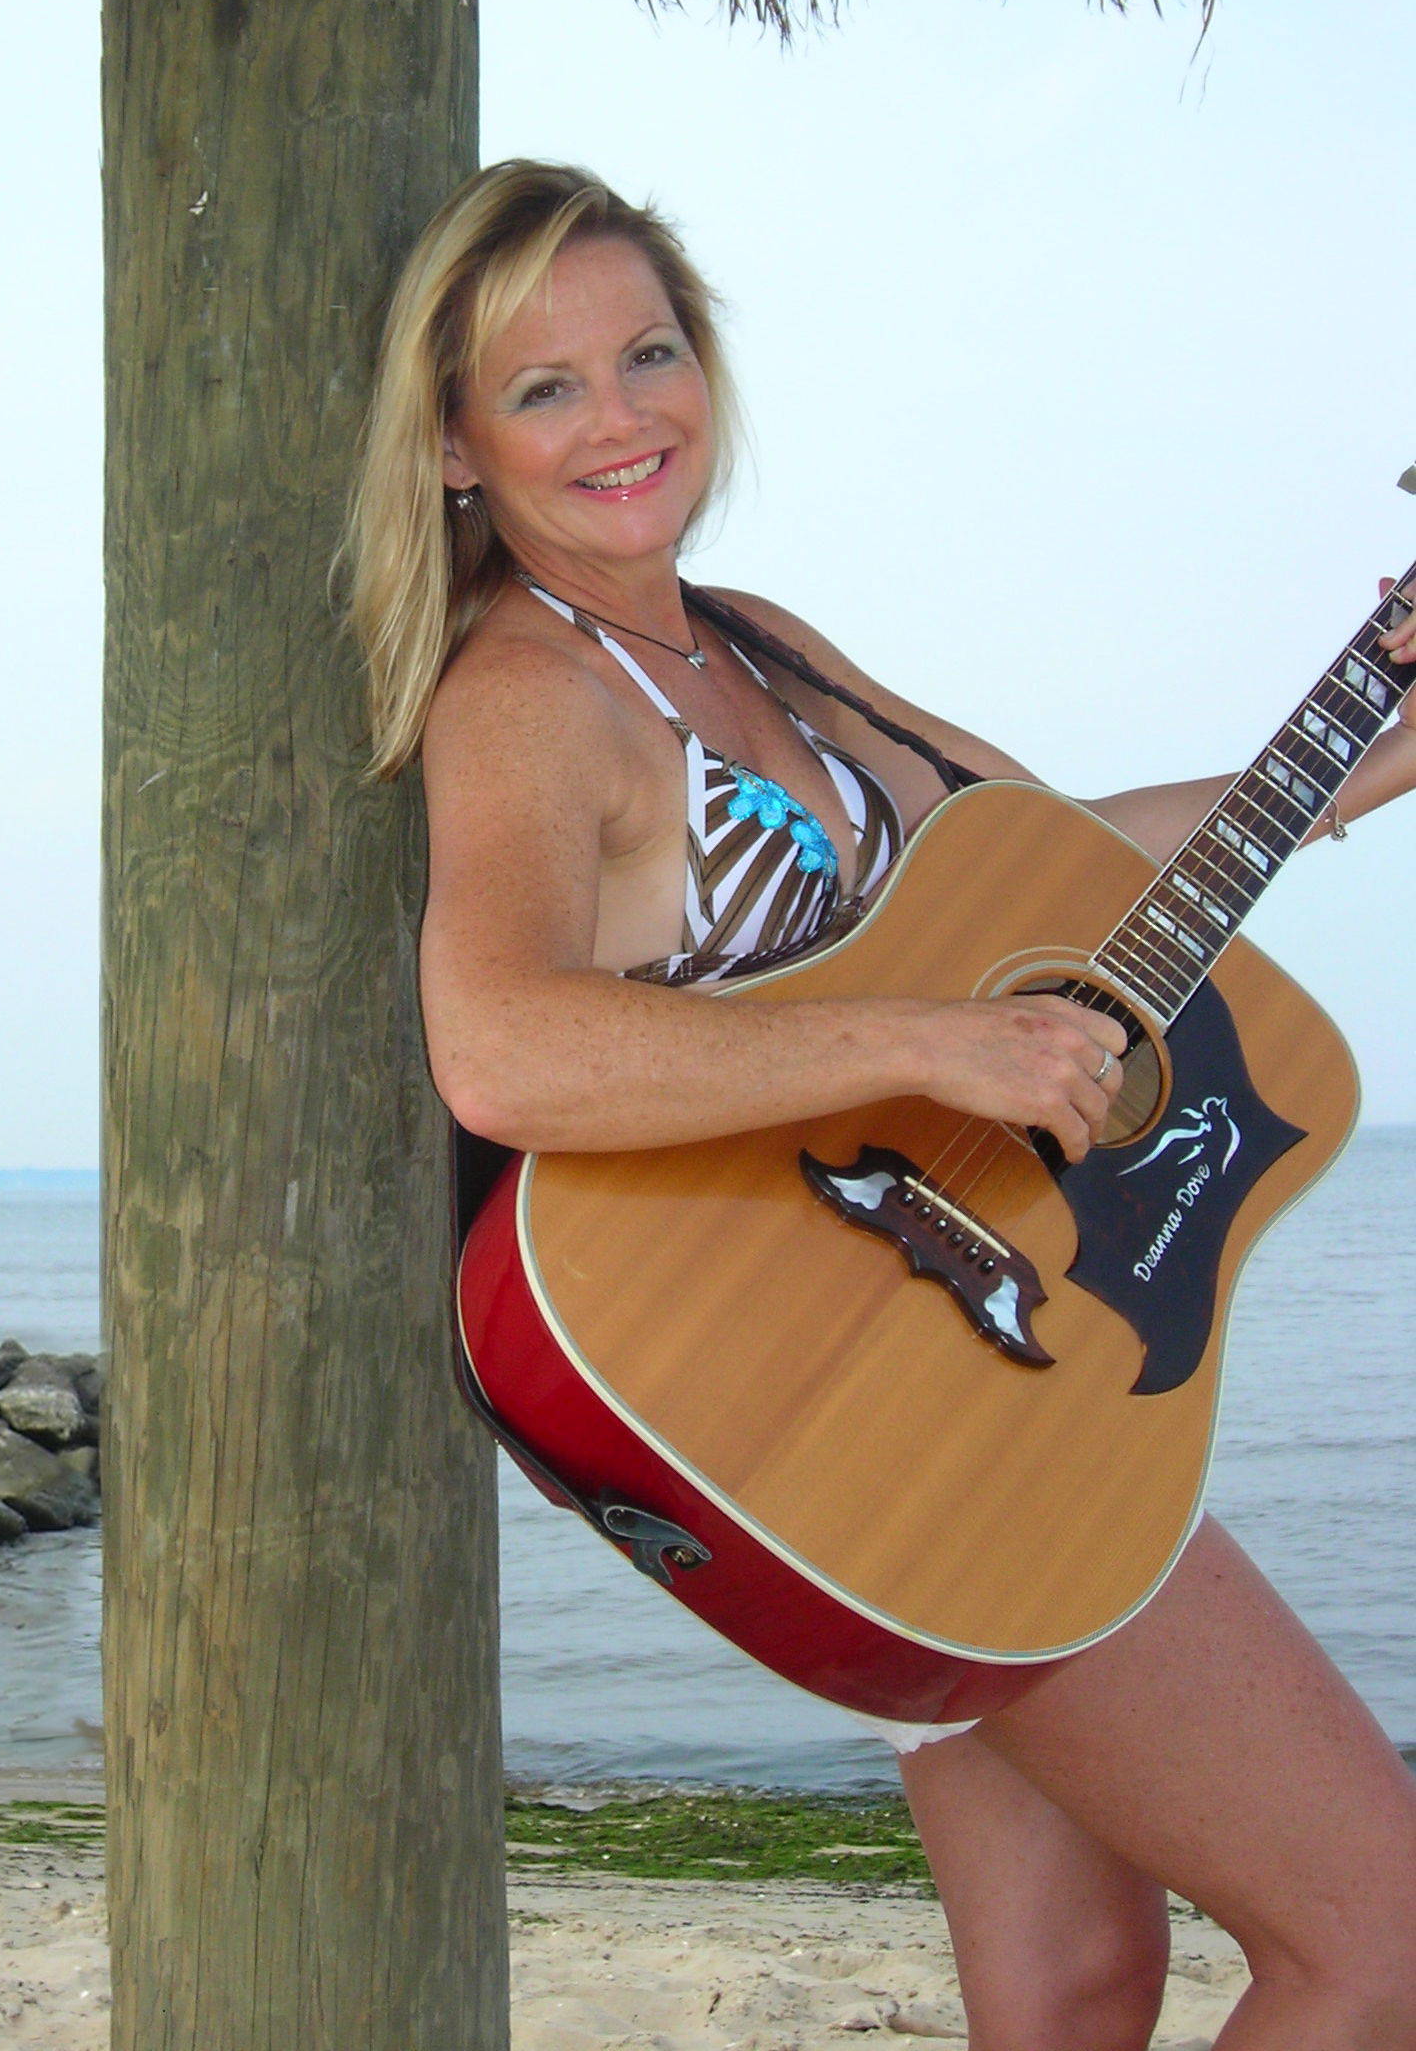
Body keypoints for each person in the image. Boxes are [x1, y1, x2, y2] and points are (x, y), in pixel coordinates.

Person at [341, 160, 1416, 2051]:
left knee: (1080, 1983)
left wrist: (1360, 758)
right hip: (801, 1386)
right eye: (546, 386)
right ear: (451, 444)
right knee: (1382, 1946)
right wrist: (932, 1045)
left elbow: (1063, 876)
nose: (622, 418)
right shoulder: (532, 697)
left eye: (649, 352)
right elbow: (503, 1046)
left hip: (926, 1390)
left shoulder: (754, 641)